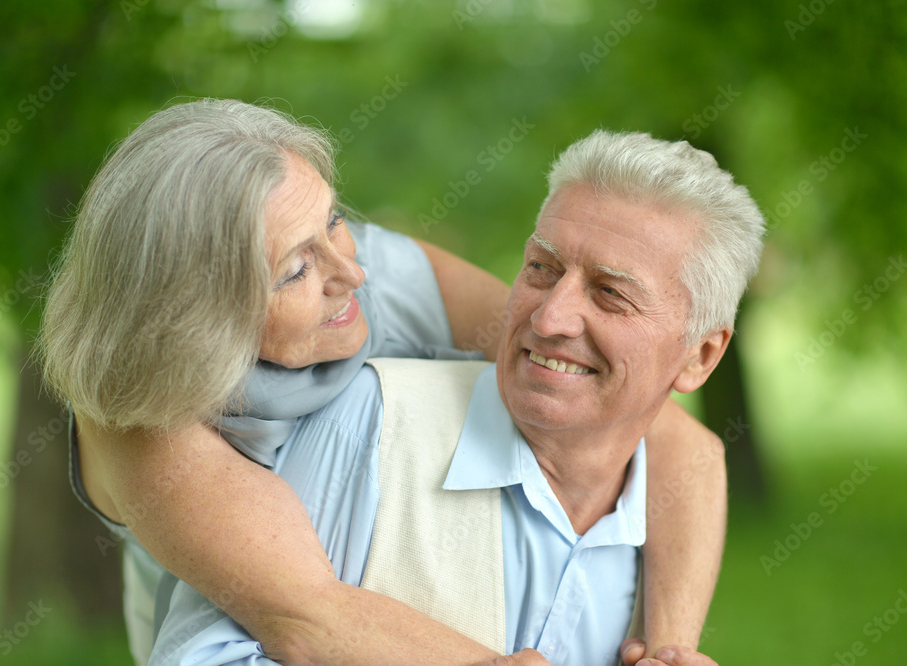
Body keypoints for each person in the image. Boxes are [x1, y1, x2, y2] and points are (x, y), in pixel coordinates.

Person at [37, 100, 728, 665]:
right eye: (294, 271)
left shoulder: (379, 276)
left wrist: (666, 650)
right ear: (198, 318)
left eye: (335, 221)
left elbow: (659, 421)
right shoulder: (141, 413)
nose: (351, 272)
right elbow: (310, 620)